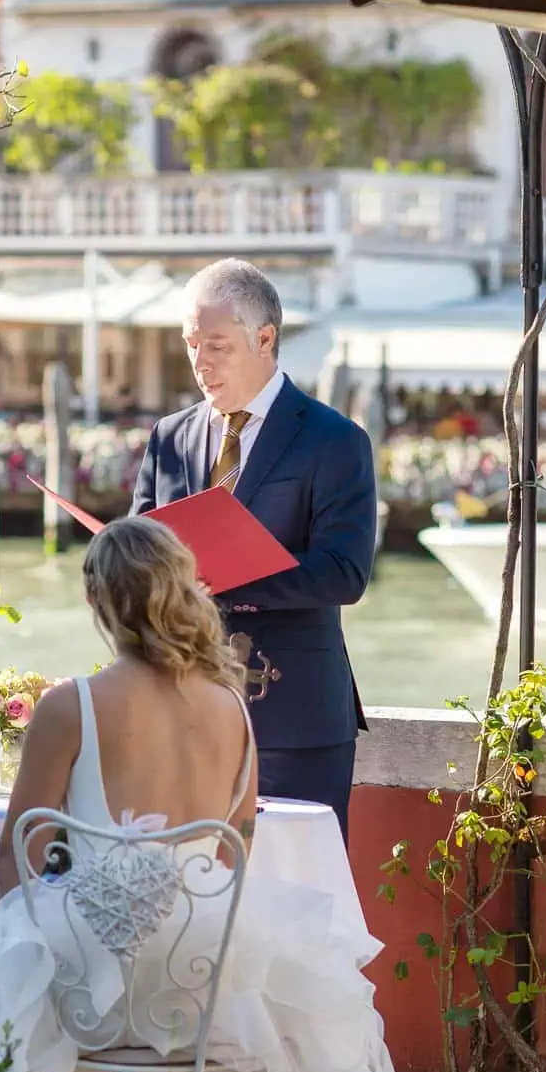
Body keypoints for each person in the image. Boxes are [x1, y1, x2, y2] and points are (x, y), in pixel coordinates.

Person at [0, 517, 401, 1072]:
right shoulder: (230, 704)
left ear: (96, 601)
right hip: (205, 976)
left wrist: (42, 932)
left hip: (92, 976)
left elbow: (19, 853)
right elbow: (232, 847)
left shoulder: (71, 704)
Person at [130, 259, 376, 838]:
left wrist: (224, 575)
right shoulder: (170, 436)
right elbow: (139, 545)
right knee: (189, 893)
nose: (200, 361)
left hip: (295, 713)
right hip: (182, 709)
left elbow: (344, 573)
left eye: (216, 344)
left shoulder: (335, 440)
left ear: (265, 339)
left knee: (296, 893)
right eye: (192, 343)